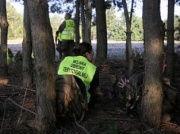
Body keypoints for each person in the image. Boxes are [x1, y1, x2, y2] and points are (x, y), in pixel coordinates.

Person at [113, 54, 177, 122]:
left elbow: (171, 102)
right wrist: (126, 87)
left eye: (165, 63)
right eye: (163, 64)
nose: (165, 66)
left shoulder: (165, 81)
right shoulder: (139, 78)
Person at [56, 42, 102, 122]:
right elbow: (94, 90)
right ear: (87, 53)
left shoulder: (65, 59)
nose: (92, 56)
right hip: (76, 109)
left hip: (57, 101)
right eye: (92, 53)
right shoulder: (93, 68)